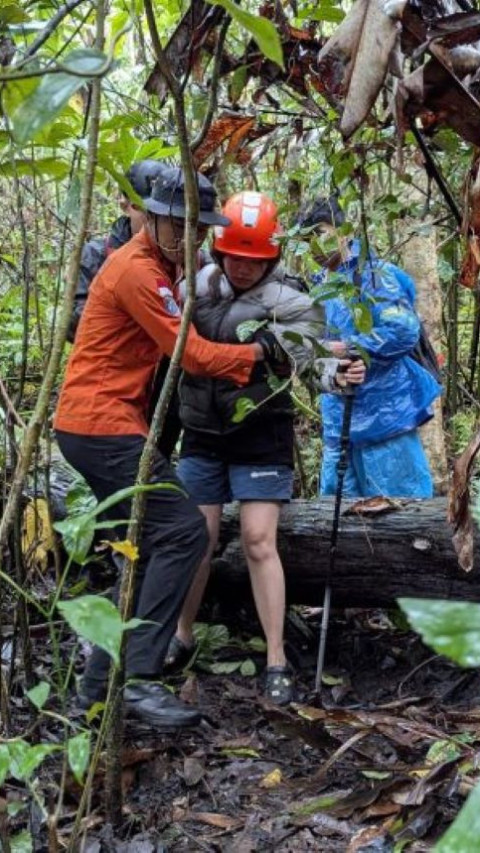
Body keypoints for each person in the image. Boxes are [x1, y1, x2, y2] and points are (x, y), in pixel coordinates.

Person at [54, 168, 283, 730]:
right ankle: (138, 679)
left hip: (110, 423)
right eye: (176, 225)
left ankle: (95, 690)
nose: (188, 239)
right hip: (101, 424)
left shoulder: (162, 268)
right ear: (150, 218)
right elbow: (193, 355)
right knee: (182, 532)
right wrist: (261, 356)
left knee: (155, 542)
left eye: (195, 228)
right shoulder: (138, 271)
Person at [164, 191, 366, 704]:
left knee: (258, 539)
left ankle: (275, 657)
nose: (242, 267)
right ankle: (181, 637)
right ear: (218, 249)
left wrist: (338, 375)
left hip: (261, 436)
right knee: (196, 536)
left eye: (254, 259)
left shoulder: (294, 302)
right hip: (201, 435)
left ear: (272, 256)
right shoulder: (195, 287)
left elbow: (311, 359)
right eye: (234, 255)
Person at [297, 195, 442, 498]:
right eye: (306, 240)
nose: (315, 247)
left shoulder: (375, 276)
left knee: (398, 512)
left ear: (343, 229)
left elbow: (403, 329)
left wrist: (352, 348)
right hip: (339, 423)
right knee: (338, 515)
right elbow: (311, 353)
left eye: (320, 234)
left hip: (385, 419)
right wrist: (326, 359)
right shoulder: (320, 287)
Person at [67, 158, 182, 460]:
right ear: (125, 204)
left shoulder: (183, 255)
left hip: (164, 388)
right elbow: (74, 323)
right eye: (145, 210)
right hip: (114, 388)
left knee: (155, 463)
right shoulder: (96, 255)